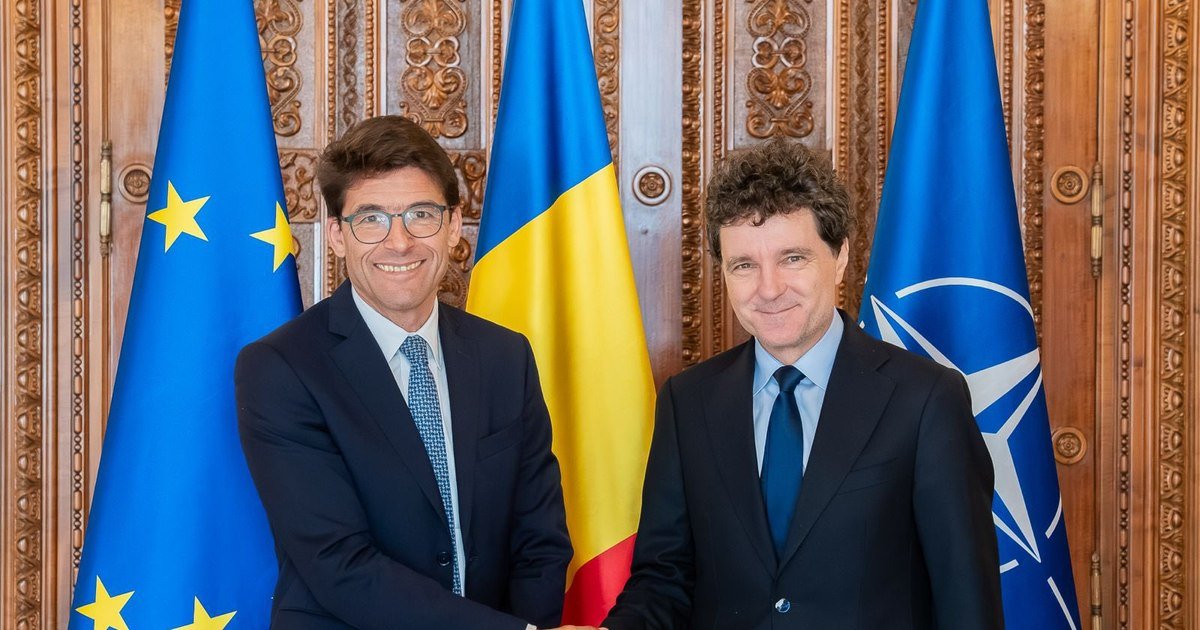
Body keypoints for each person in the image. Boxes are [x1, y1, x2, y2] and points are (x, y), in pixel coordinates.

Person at [602, 140, 1004, 629]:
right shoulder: (688, 403)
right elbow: (664, 581)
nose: (769, 289)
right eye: (744, 265)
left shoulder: (925, 400)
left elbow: (966, 602)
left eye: (792, 258)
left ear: (840, 257)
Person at [235, 115, 572, 629]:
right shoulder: (281, 368)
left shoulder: (505, 356)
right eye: (371, 219)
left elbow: (540, 541)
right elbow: (339, 565)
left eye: (421, 214)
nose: (399, 242)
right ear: (337, 235)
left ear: (453, 226)